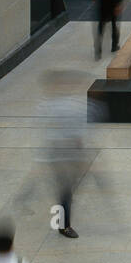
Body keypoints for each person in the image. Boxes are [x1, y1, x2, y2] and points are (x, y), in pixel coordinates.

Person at [40, 70, 88, 239]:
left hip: (68, 154)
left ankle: (61, 220)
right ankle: (63, 225)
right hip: (60, 155)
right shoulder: (51, 107)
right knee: (65, 190)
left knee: (65, 189)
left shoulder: (67, 104)